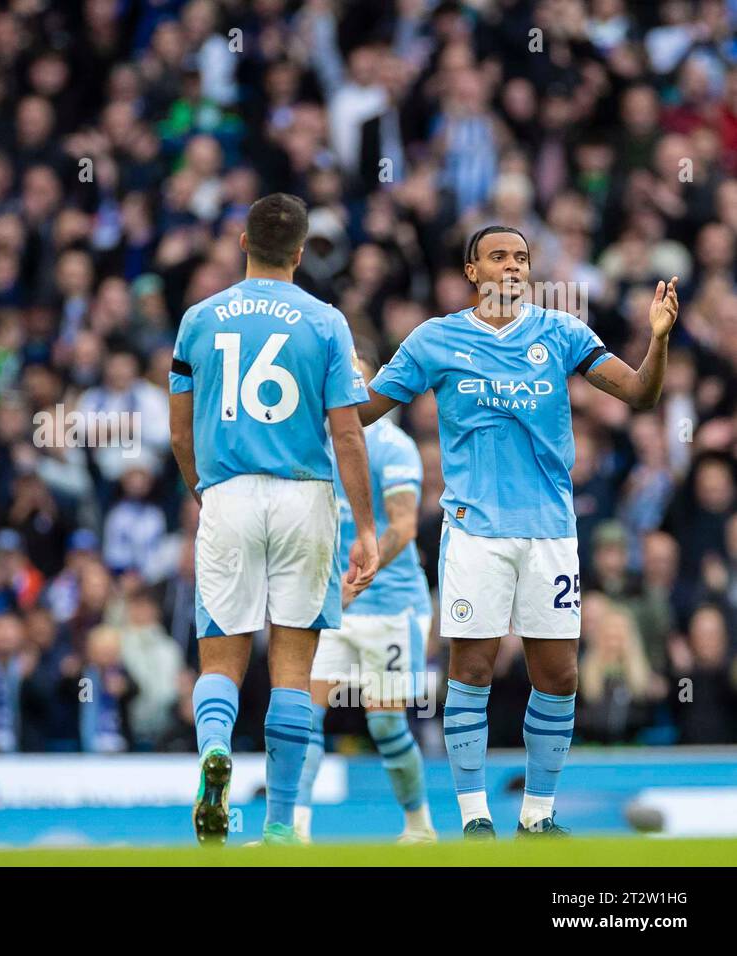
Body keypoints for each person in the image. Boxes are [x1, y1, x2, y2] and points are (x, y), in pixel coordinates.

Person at [357, 225, 680, 838]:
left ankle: (538, 815)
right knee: (472, 668)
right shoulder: (436, 338)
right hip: (475, 529)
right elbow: (365, 411)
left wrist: (658, 340)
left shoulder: (560, 333)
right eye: (498, 257)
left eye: (522, 258)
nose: (512, 267)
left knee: (558, 675)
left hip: (552, 530)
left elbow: (639, 393)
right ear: (472, 271)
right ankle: (475, 816)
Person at [168, 193, 379, 846]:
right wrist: (366, 528)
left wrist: (203, 494)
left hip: (228, 492)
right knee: (293, 667)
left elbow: (180, 433)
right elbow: (347, 434)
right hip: (303, 499)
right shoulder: (325, 321)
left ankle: (214, 751)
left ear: (241, 242)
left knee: (220, 659)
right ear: (299, 251)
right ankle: (282, 825)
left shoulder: (199, 320)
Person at [297, 351, 435, 845]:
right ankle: (295, 831)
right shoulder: (315, 443)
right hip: (333, 600)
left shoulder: (392, 446)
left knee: (384, 725)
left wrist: (360, 573)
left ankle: (419, 826)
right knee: (303, 713)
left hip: (391, 605)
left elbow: (403, 526)